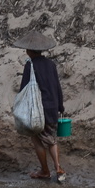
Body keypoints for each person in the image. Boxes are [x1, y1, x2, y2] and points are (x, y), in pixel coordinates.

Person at [14, 30, 65, 180]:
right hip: (52, 107)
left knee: (37, 140)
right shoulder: (51, 65)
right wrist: (60, 107)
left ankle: (45, 171)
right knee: (52, 139)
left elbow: (25, 89)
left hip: (38, 110)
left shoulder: (30, 66)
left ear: (29, 50)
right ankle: (58, 168)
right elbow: (57, 87)